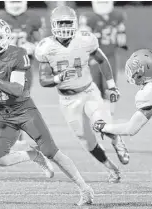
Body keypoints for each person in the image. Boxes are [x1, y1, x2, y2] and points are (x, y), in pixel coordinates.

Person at [0, 18, 94, 206]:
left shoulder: (17, 54)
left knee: (52, 151)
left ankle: (84, 189)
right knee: (0, 159)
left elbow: (16, 89)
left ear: (5, 37)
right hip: (1, 114)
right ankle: (33, 155)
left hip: (23, 110)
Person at [35, 6, 130, 183]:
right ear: (53, 25)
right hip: (68, 100)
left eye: (67, 22)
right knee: (87, 141)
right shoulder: (46, 47)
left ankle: (116, 139)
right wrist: (58, 78)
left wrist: (111, 85)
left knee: (100, 123)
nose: (64, 26)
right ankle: (111, 168)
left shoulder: (85, 39)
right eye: (60, 23)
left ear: (75, 23)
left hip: (88, 92)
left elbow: (102, 59)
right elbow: (43, 80)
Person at [0, 1, 44, 144]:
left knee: (20, 101)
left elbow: (42, 44)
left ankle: (16, 136)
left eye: (18, 1)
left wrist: (33, 47)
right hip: (3, 67)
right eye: (12, 1)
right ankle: (10, 133)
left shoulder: (32, 18)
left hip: (23, 67)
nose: (15, 4)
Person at [93, 49, 152, 136]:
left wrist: (104, 127)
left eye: (132, 70)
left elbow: (130, 129)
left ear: (141, 73)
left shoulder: (149, 93)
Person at [79, 1, 128, 114]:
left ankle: (107, 114)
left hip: (109, 56)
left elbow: (121, 37)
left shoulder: (117, 16)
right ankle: (97, 113)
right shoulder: (89, 17)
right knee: (94, 86)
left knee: (109, 86)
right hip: (94, 56)